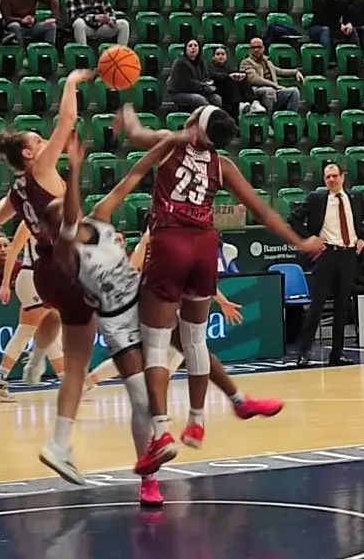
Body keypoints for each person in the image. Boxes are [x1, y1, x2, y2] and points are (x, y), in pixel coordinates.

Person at [46, 147, 284, 506]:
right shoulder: (65, 254)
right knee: (141, 401)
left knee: (193, 345)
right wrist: (75, 170)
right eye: (62, 209)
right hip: (117, 322)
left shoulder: (100, 218)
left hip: (144, 298)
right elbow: (65, 219)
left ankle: (239, 401)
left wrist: (166, 145)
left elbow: (135, 175)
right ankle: (149, 477)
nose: (70, 207)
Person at [116, 103, 324, 476]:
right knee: (195, 340)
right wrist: (299, 240)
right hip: (204, 245)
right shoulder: (222, 165)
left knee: (157, 345)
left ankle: (161, 433)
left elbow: (135, 136)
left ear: (195, 123)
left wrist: (128, 113)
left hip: (170, 240)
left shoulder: (170, 142)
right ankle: (196, 422)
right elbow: (263, 211)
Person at [0, 69, 96, 402]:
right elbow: (67, 120)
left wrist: (20, 198)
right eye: (38, 141)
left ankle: (44, 366)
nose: (45, 143)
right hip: (61, 259)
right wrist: (72, 82)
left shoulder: (19, 188)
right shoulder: (42, 168)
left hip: (47, 265)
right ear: (31, 155)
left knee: (58, 315)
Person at [291, 162, 364, 367]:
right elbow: (294, 219)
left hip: (348, 255)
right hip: (326, 254)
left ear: (343, 177)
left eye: (334, 176)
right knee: (317, 304)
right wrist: (310, 238)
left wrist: (363, 238)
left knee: (342, 305)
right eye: (327, 177)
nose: (331, 180)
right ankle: (303, 351)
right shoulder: (317, 199)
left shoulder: (355, 198)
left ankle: (337, 353)